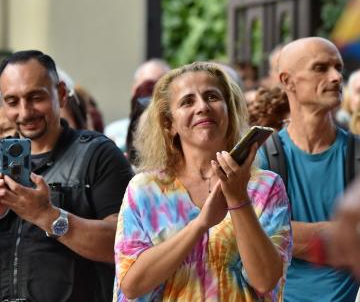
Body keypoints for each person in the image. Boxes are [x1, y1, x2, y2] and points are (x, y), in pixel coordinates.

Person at [0, 50, 133, 301]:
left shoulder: (98, 154)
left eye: (35, 97)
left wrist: (49, 216)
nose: (25, 111)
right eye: (12, 101)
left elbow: (124, 245)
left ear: (61, 94)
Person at [114, 62, 292, 301]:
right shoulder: (145, 189)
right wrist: (201, 224)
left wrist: (238, 199)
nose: (203, 107)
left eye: (212, 96)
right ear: (170, 124)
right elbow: (132, 285)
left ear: (229, 111)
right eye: (188, 101)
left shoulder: (265, 186)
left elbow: (265, 279)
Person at [258, 37, 360, 301]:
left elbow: (269, 234)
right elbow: (251, 240)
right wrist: (347, 231)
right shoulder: (264, 157)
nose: (335, 77)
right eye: (320, 68)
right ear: (287, 81)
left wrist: (284, 233)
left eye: (338, 67)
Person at [105, 59, 170, 152]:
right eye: (147, 87)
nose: (153, 95)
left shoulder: (179, 137)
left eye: (162, 87)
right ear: (134, 90)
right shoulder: (112, 133)